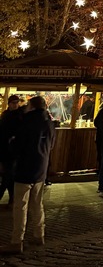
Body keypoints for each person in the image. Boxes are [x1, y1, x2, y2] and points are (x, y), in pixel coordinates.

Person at [0, 96, 55, 254]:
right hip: (41, 168)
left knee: (21, 206)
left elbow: (17, 147)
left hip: (25, 168)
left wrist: (11, 143)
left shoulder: (27, 123)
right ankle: (39, 235)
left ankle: (17, 241)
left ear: (31, 106)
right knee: (37, 204)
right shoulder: (49, 123)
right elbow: (51, 144)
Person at [0, 94, 25, 209]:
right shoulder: (5, 115)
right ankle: (12, 199)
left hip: (14, 151)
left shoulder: (20, 115)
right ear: (9, 104)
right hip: (5, 150)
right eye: (13, 103)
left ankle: (9, 199)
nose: (15, 105)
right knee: (9, 176)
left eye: (17, 103)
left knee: (8, 175)